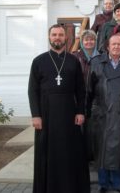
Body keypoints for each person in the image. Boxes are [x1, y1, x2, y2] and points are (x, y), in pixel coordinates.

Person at [28, 24, 90, 193]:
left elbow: (80, 89)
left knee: (69, 152)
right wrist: (36, 115)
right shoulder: (39, 61)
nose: (57, 37)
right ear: (49, 38)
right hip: (46, 115)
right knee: (47, 154)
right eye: (54, 34)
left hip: (69, 113)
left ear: (66, 38)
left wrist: (80, 112)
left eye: (60, 35)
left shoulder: (73, 61)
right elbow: (32, 90)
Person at [87, 34, 120, 193]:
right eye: (113, 44)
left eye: (119, 44)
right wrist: (89, 112)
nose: (116, 47)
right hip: (101, 114)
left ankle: (118, 183)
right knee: (102, 150)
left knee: (119, 150)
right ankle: (103, 184)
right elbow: (88, 91)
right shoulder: (96, 63)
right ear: (107, 47)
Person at [72, 29, 99, 160]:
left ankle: (92, 154)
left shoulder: (100, 56)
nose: (89, 42)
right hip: (80, 97)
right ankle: (81, 156)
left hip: (95, 98)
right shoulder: (75, 57)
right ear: (82, 42)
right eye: (86, 39)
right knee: (80, 127)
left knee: (93, 128)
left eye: (92, 39)